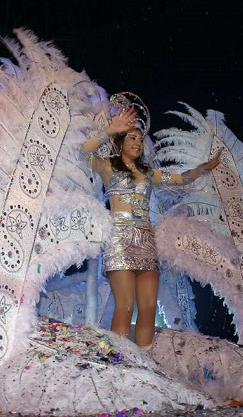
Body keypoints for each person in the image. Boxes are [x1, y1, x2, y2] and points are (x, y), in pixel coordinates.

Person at [83, 103, 222, 347]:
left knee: (147, 307)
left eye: (140, 139)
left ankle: (145, 363)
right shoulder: (107, 168)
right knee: (125, 306)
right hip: (120, 241)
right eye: (132, 137)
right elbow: (85, 152)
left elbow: (178, 179)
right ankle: (121, 361)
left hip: (146, 242)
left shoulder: (148, 174)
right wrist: (110, 129)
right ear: (121, 141)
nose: (137, 143)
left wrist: (204, 168)